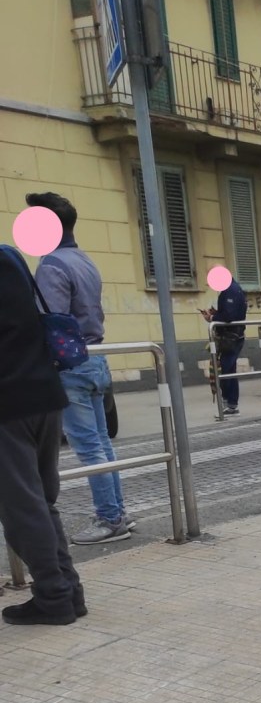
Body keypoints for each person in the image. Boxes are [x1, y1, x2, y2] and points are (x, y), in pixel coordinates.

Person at [25, 192, 132, 545]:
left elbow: (51, 320)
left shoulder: (52, 264)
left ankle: (109, 518)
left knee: (88, 446)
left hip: (71, 363)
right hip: (96, 356)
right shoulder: (83, 259)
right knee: (101, 442)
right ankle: (117, 512)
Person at [0, 244, 84, 625]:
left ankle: (54, 598)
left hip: (8, 403)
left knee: (21, 506)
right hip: (44, 393)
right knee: (42, 501)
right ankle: (69, 590)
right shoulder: (9, 255)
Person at [201, 277, 247, 414]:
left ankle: (230, 403)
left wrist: (212, 318)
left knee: (227, 369)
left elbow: (229, 316)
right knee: (227, 368)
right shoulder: (232, 288)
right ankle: (229, 402)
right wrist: (216, 313)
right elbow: (230, 313)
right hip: (232, 336)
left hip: (231, 337)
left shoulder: (231, 290)